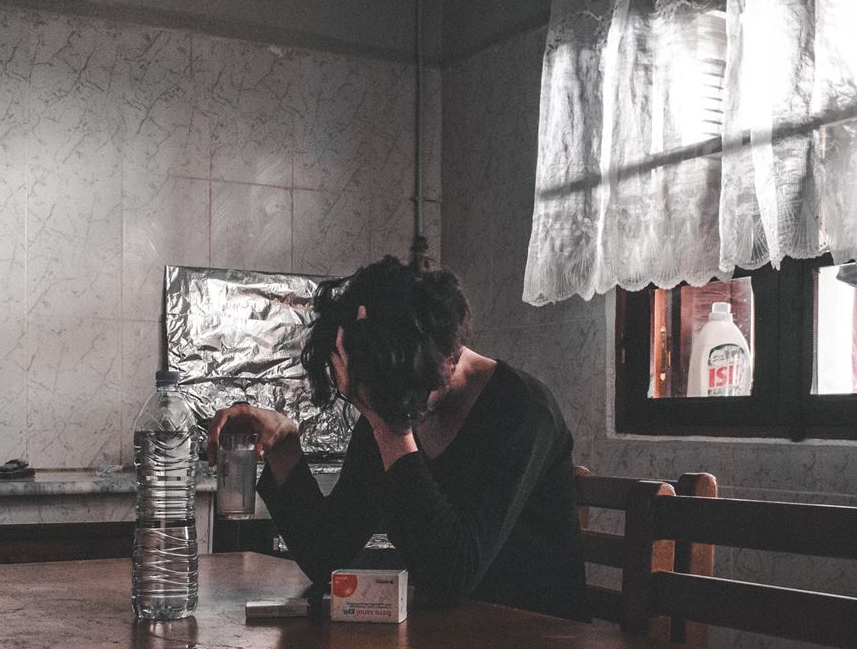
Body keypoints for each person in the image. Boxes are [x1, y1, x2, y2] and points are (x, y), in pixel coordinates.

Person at [206, 255, 585, 619]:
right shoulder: (390, 396)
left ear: (449, 355)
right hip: (446, 645)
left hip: (537, 648)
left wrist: (389, 426)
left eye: (397, 395)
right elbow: (328, 553)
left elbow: (450, 578)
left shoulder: (522, 409)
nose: (388, 406)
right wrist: (285, 447)